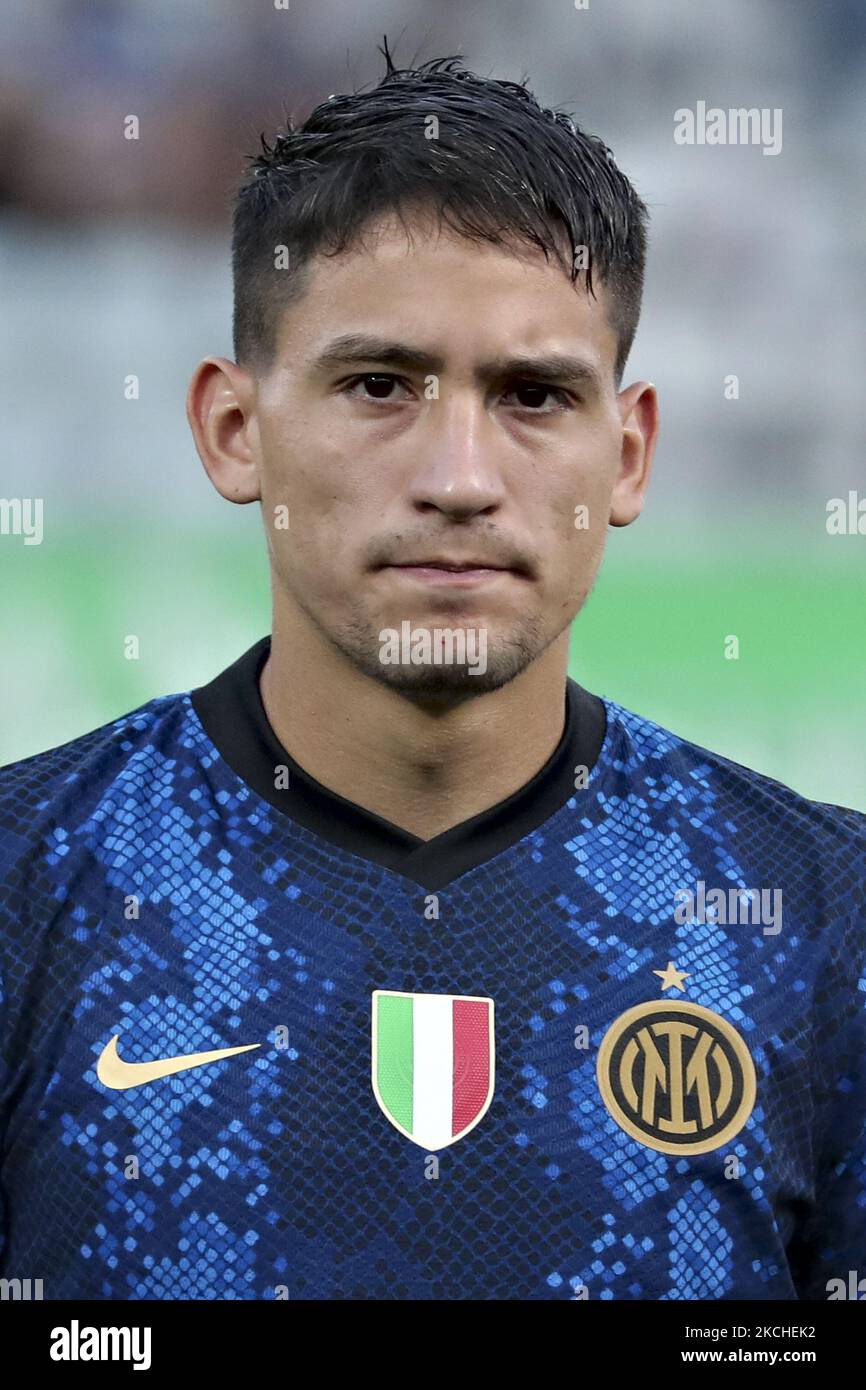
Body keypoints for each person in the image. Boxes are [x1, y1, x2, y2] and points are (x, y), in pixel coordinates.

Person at [1, 48, 863, 1302]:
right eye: (377, 385)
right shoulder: (27, 892)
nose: (458, 476)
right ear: (234, 431)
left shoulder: (823, 917)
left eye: (531, 395)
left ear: (626, 457)